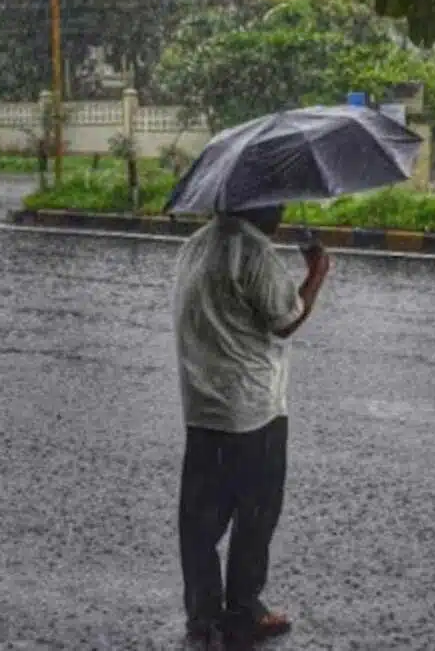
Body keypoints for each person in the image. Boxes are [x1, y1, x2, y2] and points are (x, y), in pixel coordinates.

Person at [171, 203, 332, 649]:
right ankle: (243, 611)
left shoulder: (196, 245)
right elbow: (286, 320)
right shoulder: (254, 254)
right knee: (255, 515)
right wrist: (317, 272)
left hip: (203, 407)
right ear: (260, 204)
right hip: (252, 411)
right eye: (278, 200)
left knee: (200, 522)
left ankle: (203, 617)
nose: (282, 210)